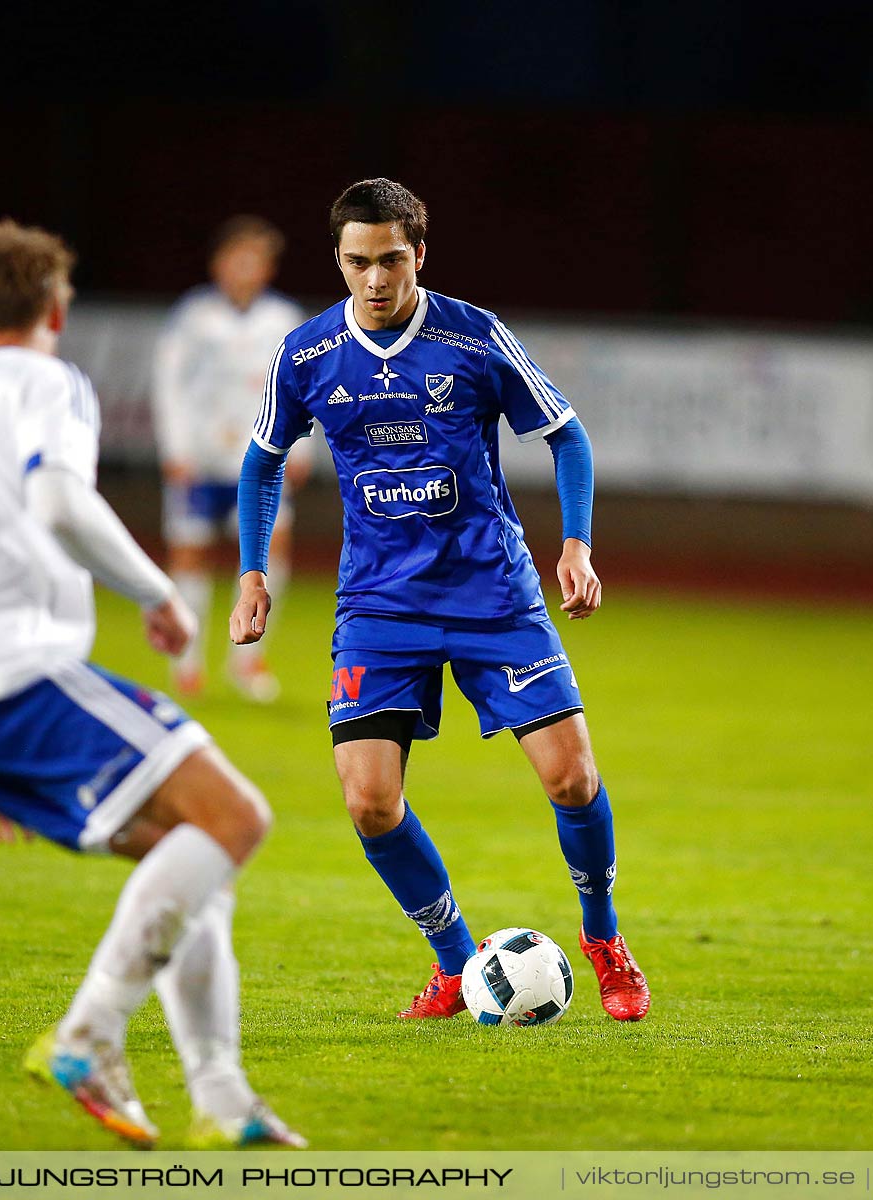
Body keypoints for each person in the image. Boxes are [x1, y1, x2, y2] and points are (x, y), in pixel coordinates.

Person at [0, 219, 302, 1149]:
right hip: (17, 671)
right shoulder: (46, 381)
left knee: (187, 856)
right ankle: (89, 1033)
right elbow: (60, 501)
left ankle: (221, 1102)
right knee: (236, 817)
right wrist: (158, 592)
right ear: (57, 307)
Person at [232, 179, 650, 1022]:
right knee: (368, 800)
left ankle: (604, 941)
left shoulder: (473, 336)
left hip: (492, 592)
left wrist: (576, 544)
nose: (375, 280)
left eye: (391, 259)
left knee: (572, 780)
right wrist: (251, 573)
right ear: (339, 261)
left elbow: (566, 435)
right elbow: (261, 460)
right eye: (358, 262)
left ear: (419, 253)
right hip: (379, 608)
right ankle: (458, 962)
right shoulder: (307, 355)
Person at [152, 217, 308, 702]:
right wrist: (175, 448)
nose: (245, 269)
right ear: (219, 264)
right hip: (200, 458)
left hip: (259, 459)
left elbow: (300, 389)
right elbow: (168, 384)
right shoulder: (193, 317)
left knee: (270, 555)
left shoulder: (282, 319)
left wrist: (301, 447)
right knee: (191, 556)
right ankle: (188, 663)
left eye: (255, 260)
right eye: (238, 258)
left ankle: (248, 660)